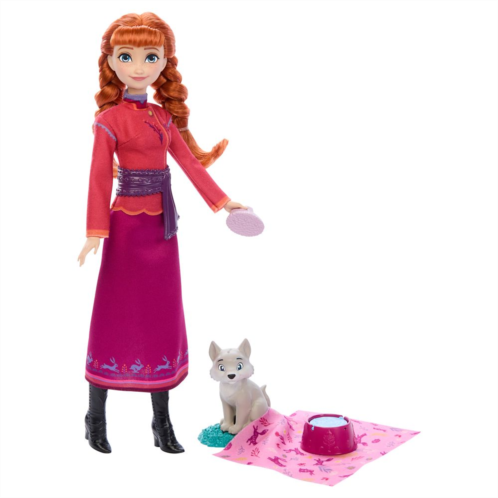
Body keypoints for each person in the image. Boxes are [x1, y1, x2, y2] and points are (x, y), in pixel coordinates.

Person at [77, 12, 246, 454]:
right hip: (124, 231)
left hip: (162, 231)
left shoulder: (162, 117)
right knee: (113, 314)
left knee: (161, 317)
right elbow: (98, 176)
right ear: (110, 61)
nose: (138, 67)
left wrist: (223, 202)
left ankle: (162, 422)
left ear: (164, 62)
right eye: (126, 56)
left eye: (150, 57)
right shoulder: (109, 119)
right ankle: (95, 417)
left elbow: (189, 164)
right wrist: (95, 231)